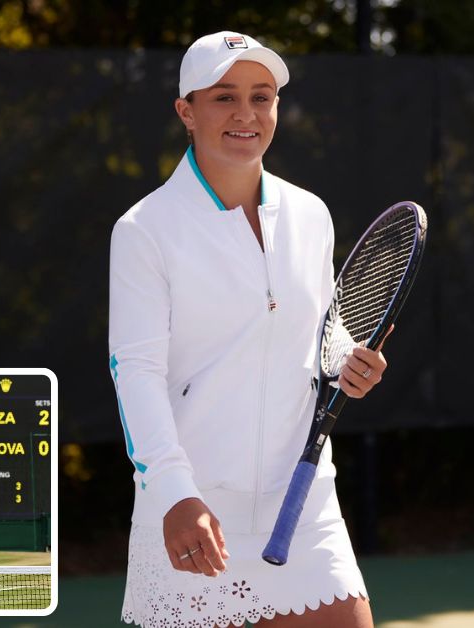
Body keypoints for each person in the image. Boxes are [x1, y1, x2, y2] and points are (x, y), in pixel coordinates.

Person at [108, 32, 389, 627]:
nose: (246, 114)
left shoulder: (311, 214)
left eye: (262, 97)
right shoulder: (143, 230)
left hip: (305, 501)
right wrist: (173, 493)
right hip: (196, 509)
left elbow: (323, 334)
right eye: (223, 97)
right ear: (186, 111)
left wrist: (348, 363)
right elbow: (135, 373)